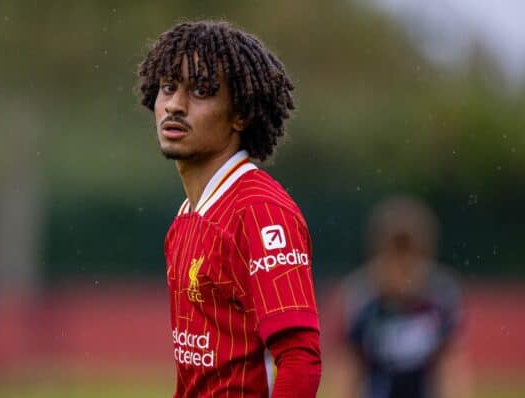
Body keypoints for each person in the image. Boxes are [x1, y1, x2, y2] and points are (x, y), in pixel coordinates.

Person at [137, 20, 321, 397]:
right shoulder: (187, 218)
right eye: (168, 88)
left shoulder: (261, 211)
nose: (175, 105)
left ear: (241, 114)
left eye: (202, 91)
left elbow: (300, 359)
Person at [330, 196, 470, 398]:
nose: (402, 261)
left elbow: (450, 363)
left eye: (409, 250)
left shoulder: (441, 295)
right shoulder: (360, 296)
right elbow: (350, 365)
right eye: (395, 250)